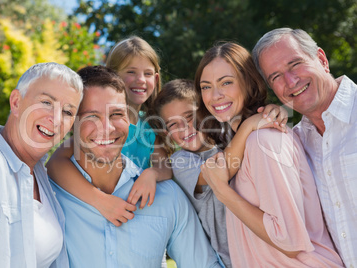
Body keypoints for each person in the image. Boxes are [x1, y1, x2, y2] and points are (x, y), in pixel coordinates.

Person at [49, 65, 223, 268]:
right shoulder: (47, 196)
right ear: (72, 122)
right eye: (91, 116)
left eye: (116, 114)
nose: (107, 128)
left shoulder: (168, 196)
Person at [195, 42, 344, 267]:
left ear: (248, 83)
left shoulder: (264, 140)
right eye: (206, 86)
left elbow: (288, 241)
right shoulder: (243, 142)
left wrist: (223, 192)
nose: (215, 95)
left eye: (226, 82)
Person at [148, 79, 288, 268]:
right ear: (166, 133)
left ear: (205, 113)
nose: (185, 128)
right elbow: (220, 171)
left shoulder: (228, 139)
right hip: (229, 260)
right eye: (173, 125)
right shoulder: (181, 162)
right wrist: (249, 126)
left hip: (264, 248)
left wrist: (271, 112)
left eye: (190, 116)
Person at [0, 62, 83, 267]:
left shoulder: (40, 174)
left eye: (68, 112)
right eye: (46, 102)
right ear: (16, 102)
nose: (56, 119)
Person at [252, 27, 357, 267]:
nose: (290, 81)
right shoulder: (294, 144)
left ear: (321, 59)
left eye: (295, 64)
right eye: (276, 77)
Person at [47, 36, 171, 227]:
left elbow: (165, 167)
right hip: (96, 213)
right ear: (113, 75)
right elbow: (55, 164)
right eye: (131, 72)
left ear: (156, 78)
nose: (140, 80)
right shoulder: (96, 128)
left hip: (137, 215)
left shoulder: (149, 125)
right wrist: (99, 200)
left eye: (147, 73)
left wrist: (152, 174)